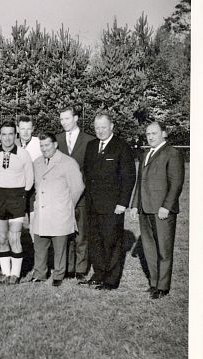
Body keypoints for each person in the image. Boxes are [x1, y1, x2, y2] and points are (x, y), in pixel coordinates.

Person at [80, 113, 136, 290]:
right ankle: (98, 274)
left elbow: (128, 177)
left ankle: (111, 280)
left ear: (112, 126)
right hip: (92, 204)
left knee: (111, 241)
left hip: (113, 206)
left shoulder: (121, 147)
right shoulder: (91, 146)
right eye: (97, 127)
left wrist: (123, 203)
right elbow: (87, 174)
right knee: (95, 241)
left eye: (103, 127)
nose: (100, 131)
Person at [130, 122, 185, 299]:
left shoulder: (172, 153)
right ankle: (154, 283)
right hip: (145, 209)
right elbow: (140, 183)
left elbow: (176, 184)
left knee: (164, 249)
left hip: (162, 211)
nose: (150, 137)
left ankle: (163, 287)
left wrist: (166, 207)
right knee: (149, 248)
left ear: (164, 133)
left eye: (154, 133)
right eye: (148, 134)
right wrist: (135, 205)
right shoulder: (145, 154)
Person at [31, 133, 84, 287]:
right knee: (40, 246)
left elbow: (77, 187)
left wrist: (65, 204)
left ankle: (58, 275)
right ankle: (39, 274)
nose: (44, 149)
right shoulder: (37, 162)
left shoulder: (68, 162)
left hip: (59, 212)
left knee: (60, 247)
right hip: (42, 211)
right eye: (41, 146)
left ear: (55, 145)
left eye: (47, 145)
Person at [0, 121, 34, 285]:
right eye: (4, 134)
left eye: (10, 134)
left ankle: (15, 274)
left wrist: (19, 195)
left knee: (14, 238)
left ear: (15, 135)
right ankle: (6, 273)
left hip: (16, 198)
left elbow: (29, 180)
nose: (7, 138)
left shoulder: (23, 154)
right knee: (2, 239)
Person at [56, 105, 95, 281]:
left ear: (76, 118)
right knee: (66, 232)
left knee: (82, 234)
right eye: (61, 119)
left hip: (83, 195)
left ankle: (81, 269)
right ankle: (68, 267)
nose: (64, 122)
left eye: (67, 118)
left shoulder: (89, 140)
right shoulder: (57, 140)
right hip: (62, 196)